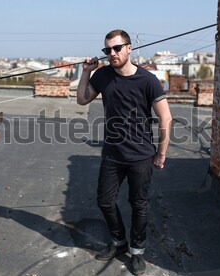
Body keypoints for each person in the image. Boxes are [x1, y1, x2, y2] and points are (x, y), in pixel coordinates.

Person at [76, 29, 172, 274]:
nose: (112, 53)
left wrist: (161, 153)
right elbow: (82, 99)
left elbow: (165, 117)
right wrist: (86, 72)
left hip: (141, 155)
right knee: (105, 201)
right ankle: (119, 241)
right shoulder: (103, 75)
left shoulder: (148, 80)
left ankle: (137, 251)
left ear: (129, 48)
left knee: (138, 204)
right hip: (112, 153)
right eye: (108, 50)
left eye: (117, 48)